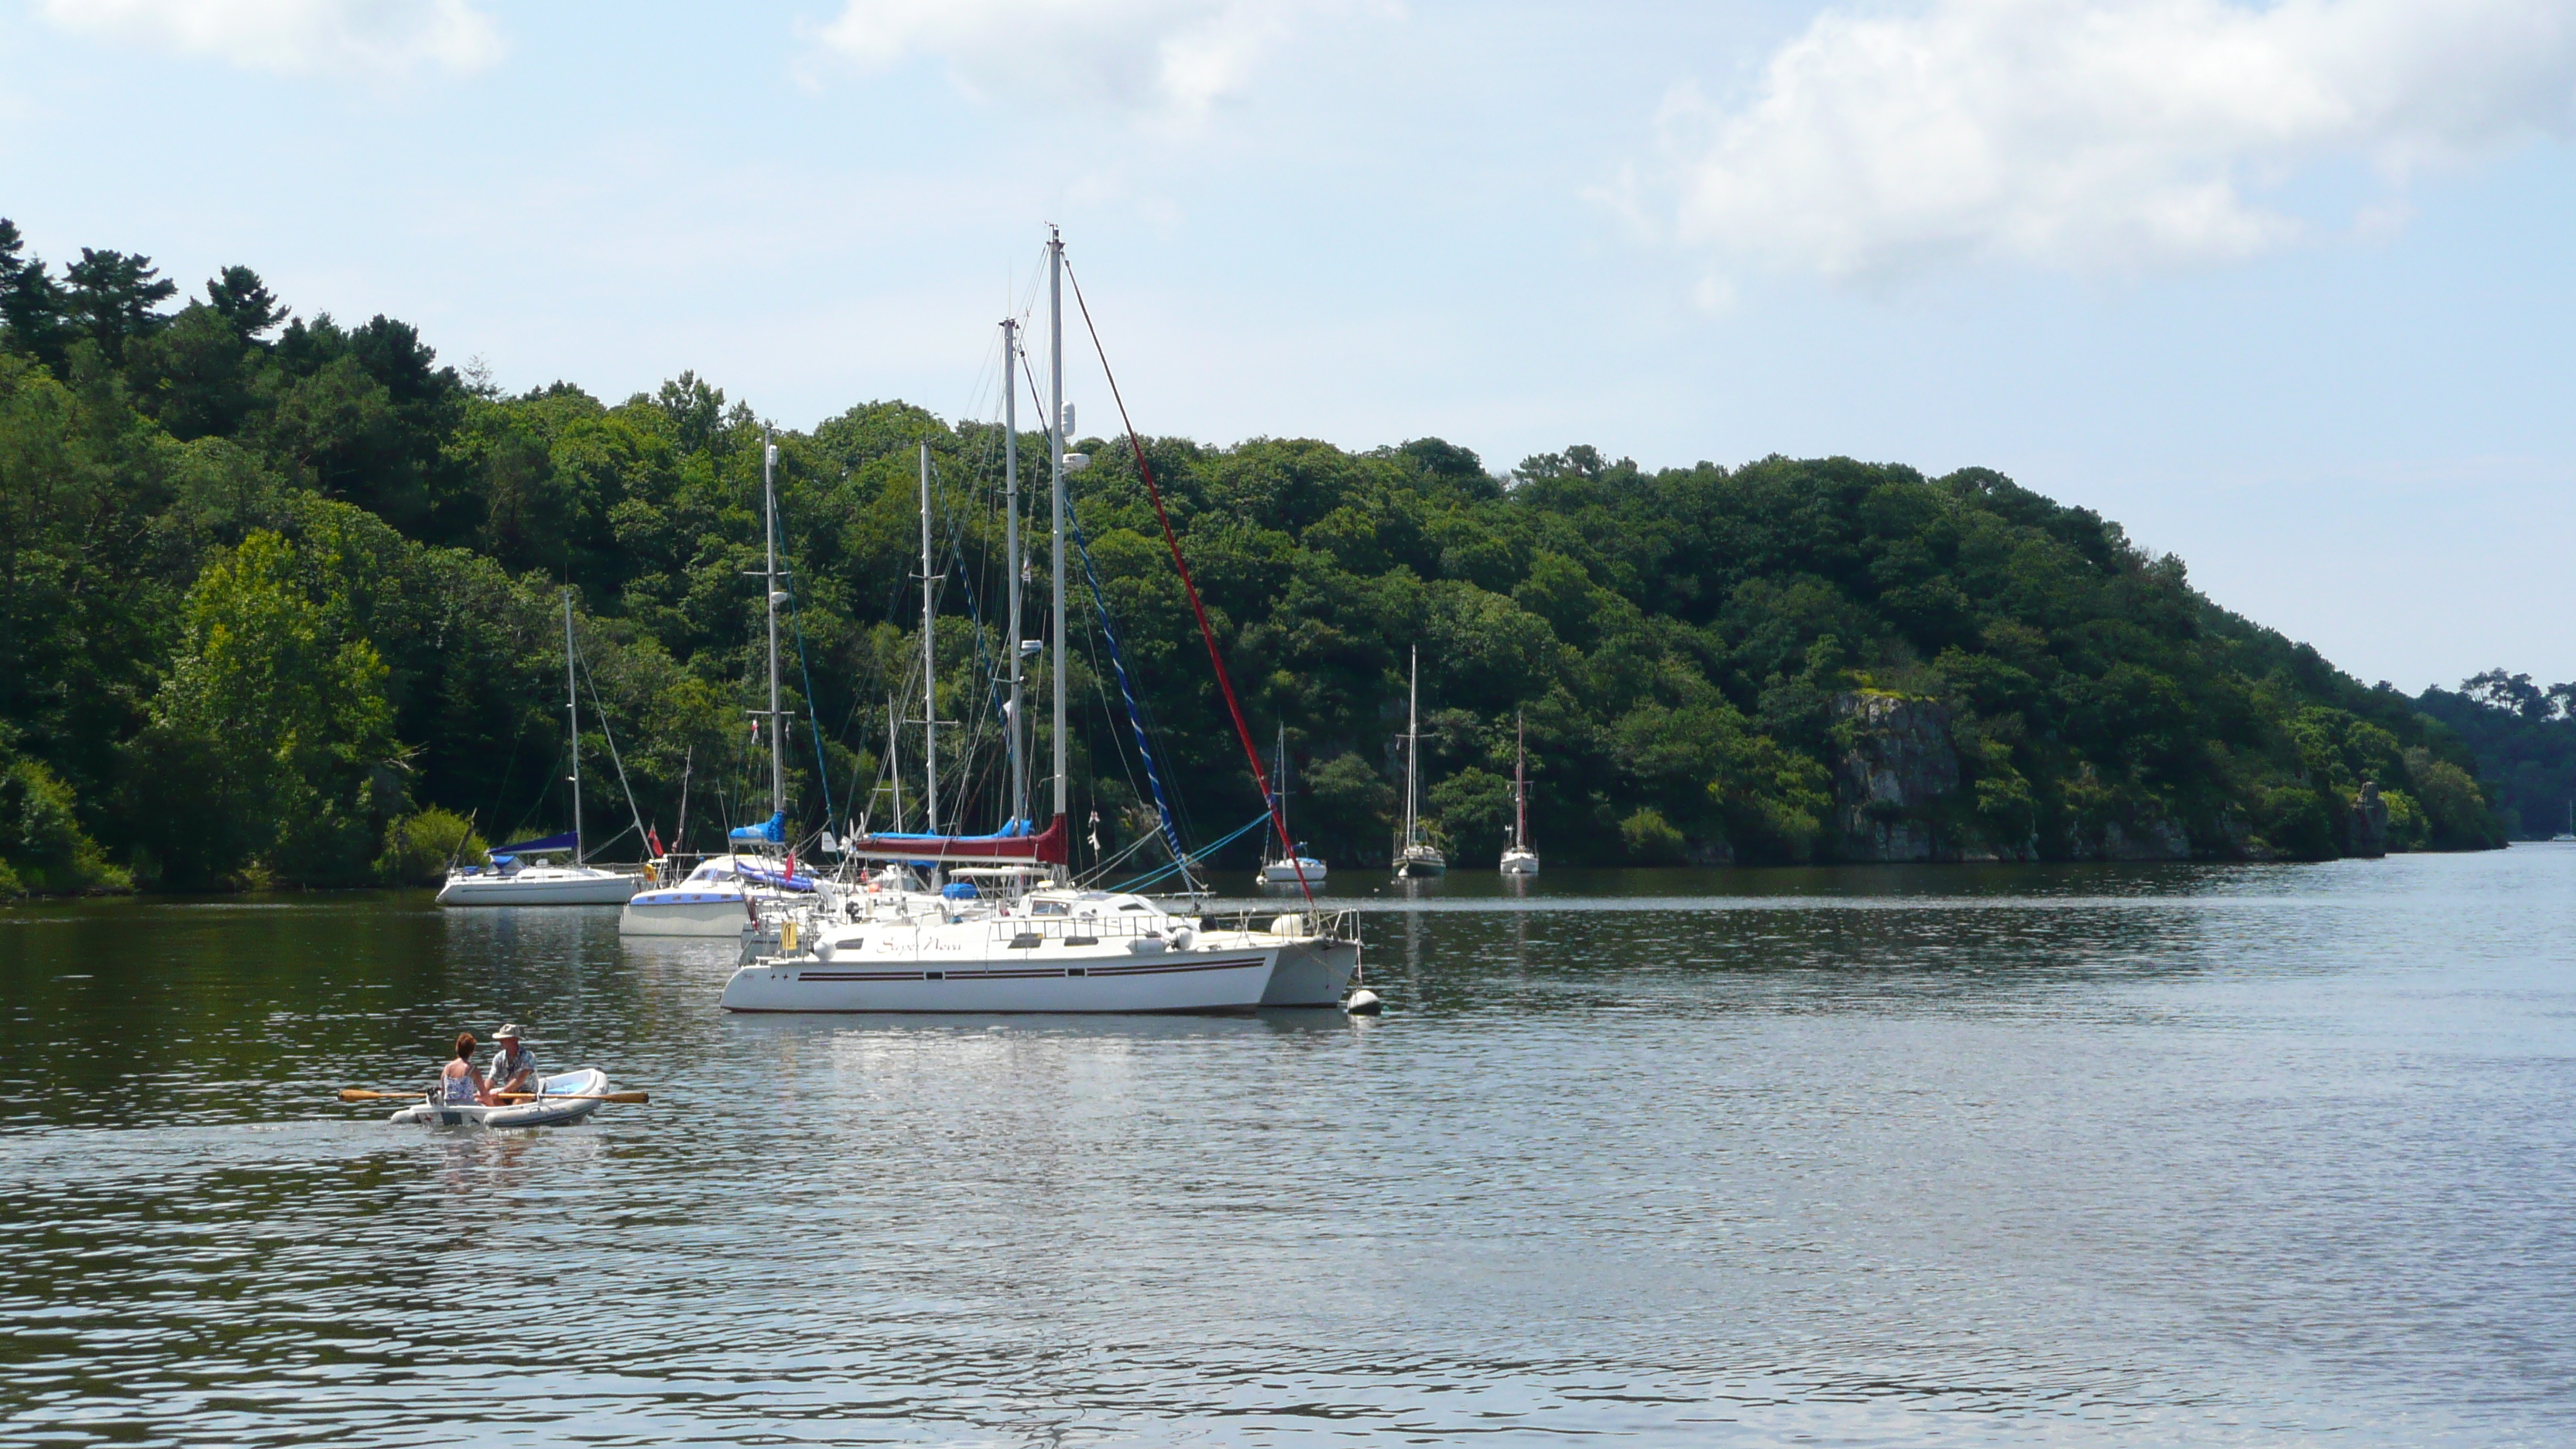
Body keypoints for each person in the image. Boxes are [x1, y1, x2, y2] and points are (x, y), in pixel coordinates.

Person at [438, 1032, 491, 1105]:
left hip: (449, 1107)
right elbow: (484, 1093)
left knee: (478, 1099)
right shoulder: (473, 1070)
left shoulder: (447, 1068)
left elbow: (443, 1093)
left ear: (457, 1048)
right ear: (472, 1052)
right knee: (482, 1101)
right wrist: (492, 1107)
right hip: (467, 1108)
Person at [488, 1023, 539, 1097]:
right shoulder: (499, 1058)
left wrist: (502, 1091)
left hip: (527, 1093)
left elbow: (520, 1079)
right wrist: (483, 1092)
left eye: (504, 1039)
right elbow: (492, 1079)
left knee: (518, 1101)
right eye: (500, 1039)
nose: (500, 1041)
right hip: (509, 1093)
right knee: (488, 1100)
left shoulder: (528, 1056)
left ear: (514, 1040)